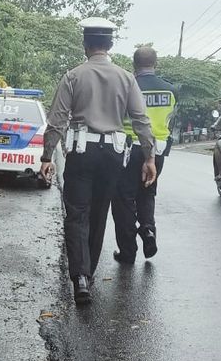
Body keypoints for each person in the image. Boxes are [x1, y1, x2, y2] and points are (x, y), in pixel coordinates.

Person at [41, 17, 157, 305]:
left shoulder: (73, 76)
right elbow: (141, 120)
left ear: (85, 45)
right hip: (114, 156)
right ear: (110, 45)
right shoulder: (126, 78)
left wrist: (46, 156)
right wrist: (150, 157)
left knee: (77, 213)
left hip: (82, 152)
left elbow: (57, 120)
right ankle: (88, 275)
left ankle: (80, 277)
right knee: (99, 213)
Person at [111, 47, 176, 264]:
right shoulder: (170, 90)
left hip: (130, 150)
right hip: (157, 151)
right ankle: (148, 230)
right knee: (147, 193)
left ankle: (128, 251)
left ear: (134, 64)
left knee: (124, 198)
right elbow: (171, 120)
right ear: (155, 64)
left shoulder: (129, 85)